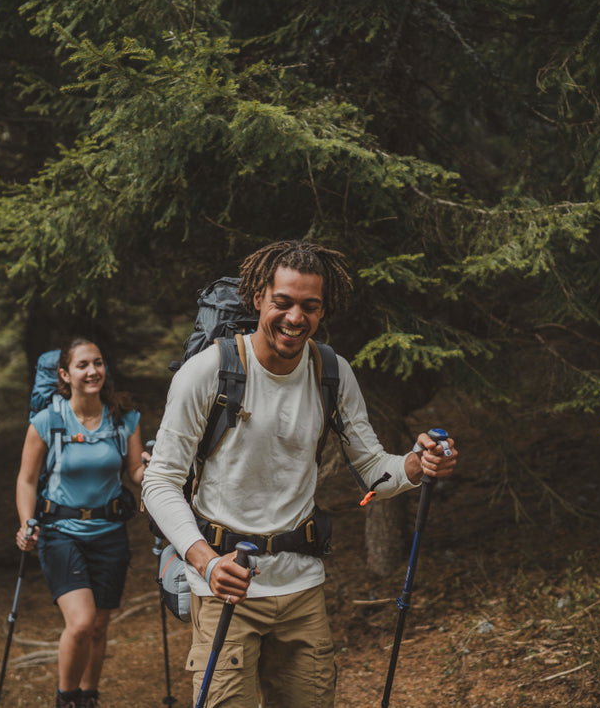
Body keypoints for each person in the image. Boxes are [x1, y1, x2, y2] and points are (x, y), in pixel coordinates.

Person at [142, 240, 460, 707]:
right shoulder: (207, 372)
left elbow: (374, 470)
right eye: (283, 303)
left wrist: (417, 463)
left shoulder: (332, 373)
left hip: (301, 591)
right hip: (224, 589)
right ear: (258, 299)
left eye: (310, 307)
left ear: (323, 309)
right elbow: (160, 480)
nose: (295, 318)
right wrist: (206, 562)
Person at [15, 338, 147, 708]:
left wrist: (149, 469)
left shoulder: (125, 418)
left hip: (110, 534)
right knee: (82, 622)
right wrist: (27, 522)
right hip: (60, 533)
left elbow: (134, 470)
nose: (93, 372)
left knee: (100, 626)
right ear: (64, 374)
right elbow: (26, 479)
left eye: (99, 363)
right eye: (83, 365)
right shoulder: (47, 422)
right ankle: (66, 698)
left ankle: (88, 697)